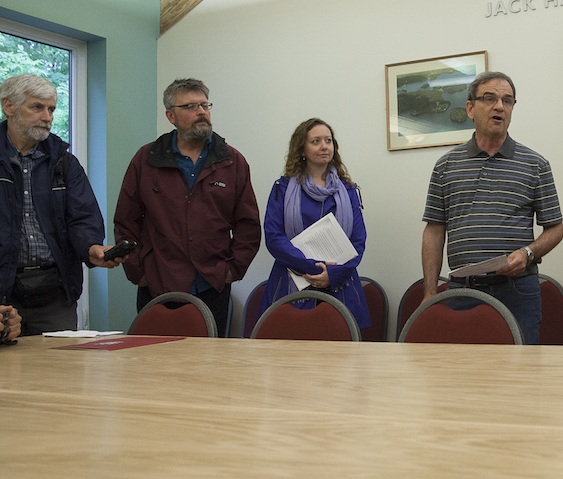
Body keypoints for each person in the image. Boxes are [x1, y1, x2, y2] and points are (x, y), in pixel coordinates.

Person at [421, 71, 563, 345]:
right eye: (490, 98)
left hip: (517, 291)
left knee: (519, 373)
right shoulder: (445, 166)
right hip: (462, 291)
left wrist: (528, 253)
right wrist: (429, 290)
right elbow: (434, 231)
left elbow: (556, 229)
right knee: (460, 372)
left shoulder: (535, 165)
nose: (500, 106)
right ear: (470, 108)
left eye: (507, 101)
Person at [114, 78, 261, 338]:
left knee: (207, 368)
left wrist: (233, 270)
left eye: (205, 105)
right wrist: (138, 271)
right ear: (171, 115)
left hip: (212, 283)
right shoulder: (146, 159)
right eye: (192, 106)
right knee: (155, 363)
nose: (202, 112)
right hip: (158, 281)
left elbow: (247, 224)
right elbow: (126, 220)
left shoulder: (232, 161)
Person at [1, 74, 122, 334]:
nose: (47, 117)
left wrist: (91, 248)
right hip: (4, 295)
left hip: (54, 294)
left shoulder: (64, 163)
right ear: (8, 107)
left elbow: (82, 218)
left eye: (51, 109)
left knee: (62, 370)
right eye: (37, 107)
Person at [260, 118, 370, 331]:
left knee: (341, 358)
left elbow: (358, 242)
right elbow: (274, 237)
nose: (324, 146)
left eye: (328, 140)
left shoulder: (348, 190)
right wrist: (313, 269)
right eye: (316, 141)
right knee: (291, 353)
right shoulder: (281, 189)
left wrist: (332, 275)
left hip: (341, 284)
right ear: (301, 149)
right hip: (293, 282)